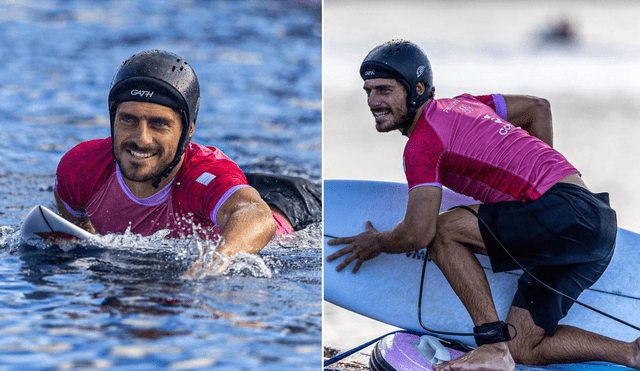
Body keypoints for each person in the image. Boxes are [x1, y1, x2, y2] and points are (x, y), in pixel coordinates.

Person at [327, 39, 639, 370]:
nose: (373, 101)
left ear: (417, 88)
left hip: (566, 213)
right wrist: (530, 185)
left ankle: (491, 346)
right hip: (596, 225)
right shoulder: (469, 105)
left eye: (384, 90)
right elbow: (538, 107)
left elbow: (419, 233)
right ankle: (631, 353)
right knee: (524, 345)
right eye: (368, 91)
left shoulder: (422, 145)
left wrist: (377, 242)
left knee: (443, 231)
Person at [54, 50, 320, 275]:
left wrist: (215, 265)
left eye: (159, 124)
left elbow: (258, 217)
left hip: (292, 205)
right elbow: (80, 239)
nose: (141, 139)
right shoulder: (81, 168)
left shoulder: (202, 174)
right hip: (232, 188)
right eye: (129, 120)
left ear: (188, 130)